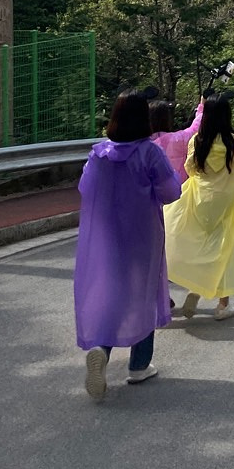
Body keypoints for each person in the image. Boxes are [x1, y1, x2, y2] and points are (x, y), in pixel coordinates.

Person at [73, 89, 181, 401]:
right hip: (142, 234)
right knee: (143, 294)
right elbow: (171, 192)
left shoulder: (99, 154)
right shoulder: (150, 152)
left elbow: (85, 188)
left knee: (112, 293)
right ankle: (138, 365)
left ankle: (101, 349)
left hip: (107, 234)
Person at [164, 94, 234, 320]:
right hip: (227, 203)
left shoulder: (198, 140)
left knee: (195, 243)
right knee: (224, 250)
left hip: (198, 198)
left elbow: (190, 168)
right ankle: (222, 305)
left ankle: (195, 286)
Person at [149, 97, 204, 184]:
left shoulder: (142, 144)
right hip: (178, 188)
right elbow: (195, 129)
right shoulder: (177, 139)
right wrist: (202, 107)